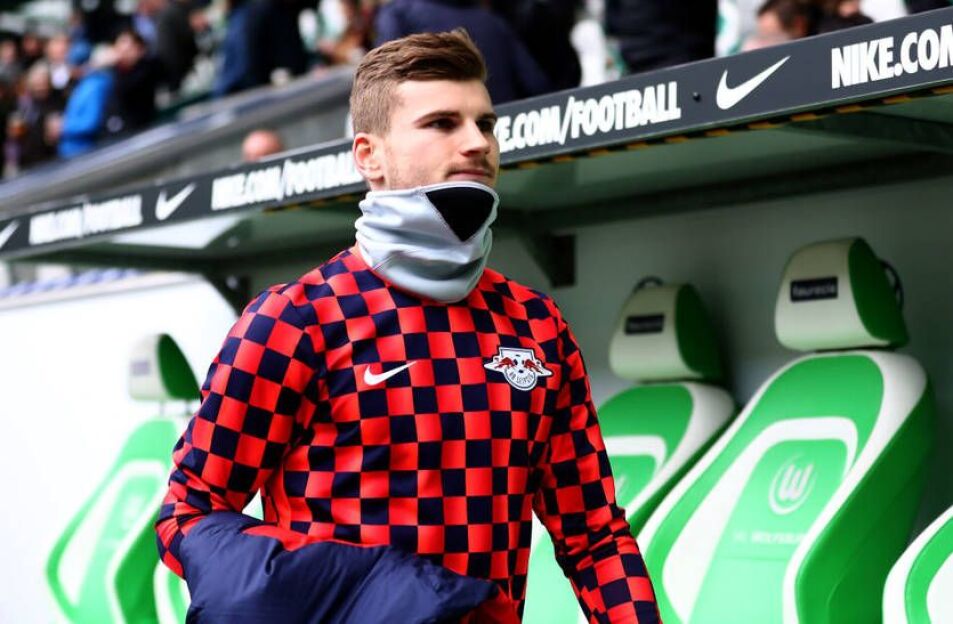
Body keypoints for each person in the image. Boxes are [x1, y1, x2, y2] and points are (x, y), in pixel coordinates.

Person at [156, 29, 660, 623]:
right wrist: (360, 593)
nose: (477, 142)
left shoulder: (536, 325)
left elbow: (595, 536)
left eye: (486, 124)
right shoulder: (296, 320)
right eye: (442, 123)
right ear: (368, 155)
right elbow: (188, 514)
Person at [374, 0, 551, 103]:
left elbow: (381, 83)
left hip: (439, 137)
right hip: (503, 136)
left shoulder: (399, 13)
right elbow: (538, 85)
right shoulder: (494, 21)